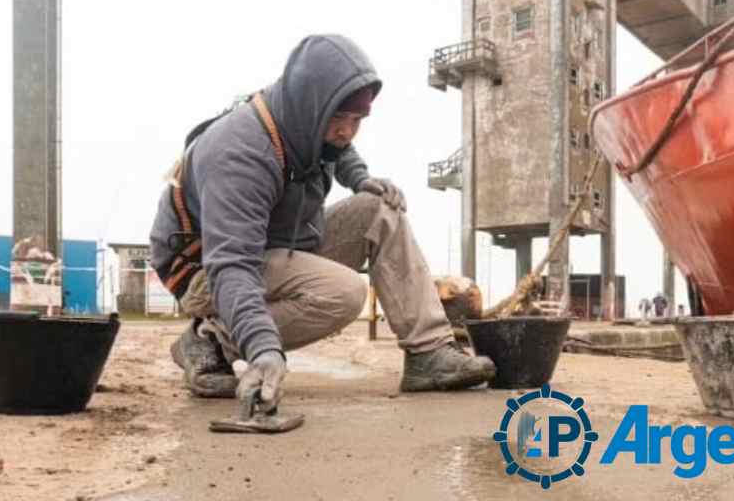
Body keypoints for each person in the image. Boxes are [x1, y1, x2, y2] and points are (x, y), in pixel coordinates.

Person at [149, 35, 495, 410]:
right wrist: (262, 347)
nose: (347, 130)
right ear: (309, 107)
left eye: (357, 120)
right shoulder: (240, 154)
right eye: (338, 118)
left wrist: (359, 178)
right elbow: (232, 264)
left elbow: (337, 147)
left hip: (277, 246)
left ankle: (429, 353)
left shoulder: (305, 121)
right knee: (342, 293)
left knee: (381, 207)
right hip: (206, 269)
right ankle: (212, 338)